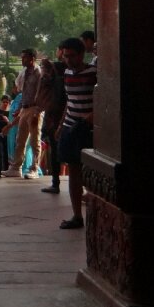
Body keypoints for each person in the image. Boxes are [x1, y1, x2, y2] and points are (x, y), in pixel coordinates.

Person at [56, 36, 97, 230]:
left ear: (82, 55)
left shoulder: (93, 73)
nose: (68, 60)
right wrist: (61, 126)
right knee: (73, 171)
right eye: (65, 56)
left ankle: (95, 214)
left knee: (90, 171)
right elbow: (69, 102)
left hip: (88, 127)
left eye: (72, 56)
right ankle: (77, 215)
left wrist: (91, 117)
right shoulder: (67, 73)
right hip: (71, 126)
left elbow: (104, 100)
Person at [2, 49, 42, 179]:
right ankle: (16, 168)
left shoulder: (39, 73)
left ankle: (34, 168)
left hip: (35, 109)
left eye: (24, 58)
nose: (22, 60)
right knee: (20, 139)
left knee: (35, 141)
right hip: (25, 108)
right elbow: (23, 92)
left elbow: (41, 94)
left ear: (32, 59)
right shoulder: (25, 72)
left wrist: (37, 112)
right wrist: (19, 108)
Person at [38, 54, 67, 194]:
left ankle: (56, 183)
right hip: (57, 120)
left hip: (57, 120)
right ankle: (56, 182)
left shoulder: (58, 82)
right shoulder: (58, 81)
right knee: (56, 152)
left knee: (57, 152)